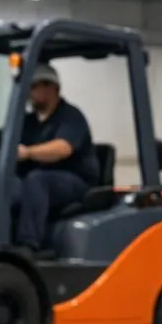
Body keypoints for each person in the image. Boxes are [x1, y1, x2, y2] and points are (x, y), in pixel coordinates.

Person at [12, 62, 98, 251]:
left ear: (52, 87)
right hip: (43, 177)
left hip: (75, 180)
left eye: (34, 87)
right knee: (6, 183)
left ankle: (28, 244)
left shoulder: (71, 116)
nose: (30, 93)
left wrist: (28, 153)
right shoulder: (28, 121)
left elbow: (62, 148)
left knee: (37, 180)